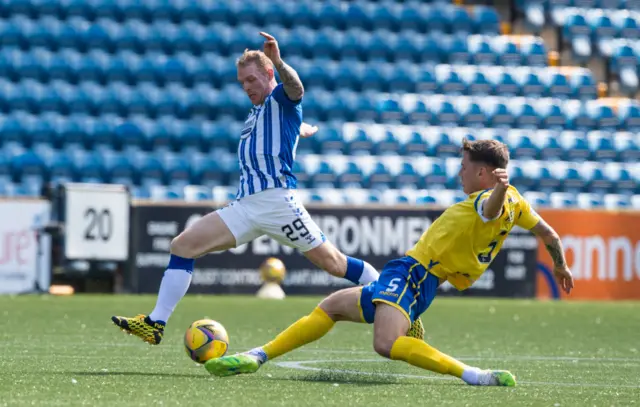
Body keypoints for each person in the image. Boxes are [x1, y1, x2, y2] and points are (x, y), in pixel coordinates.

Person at [111, 32, 424, 345]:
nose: (246, 87)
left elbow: (296, 89)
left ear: (268, 74)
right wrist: (298, 130)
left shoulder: (280, 99)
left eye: (251, 79)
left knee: (334, 264)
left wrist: (279, 62)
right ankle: (155, 323)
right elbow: (282, 130)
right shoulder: (258, 111)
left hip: (277, 203)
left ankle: (402, 309)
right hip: (246, 207)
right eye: (242, 82)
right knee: (182, 245)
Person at [204, 139, 575, 387]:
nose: (459, 172)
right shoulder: (519, 203)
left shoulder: (488, 198)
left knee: (385, 343)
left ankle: (474, 375)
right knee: (331, 307)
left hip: (415, 273)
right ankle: (257, 356)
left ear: (482, 173)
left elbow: (490, 210)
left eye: (464, 166)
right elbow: (551, 236)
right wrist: (560, 265)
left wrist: (497, 190)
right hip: (420, 278)